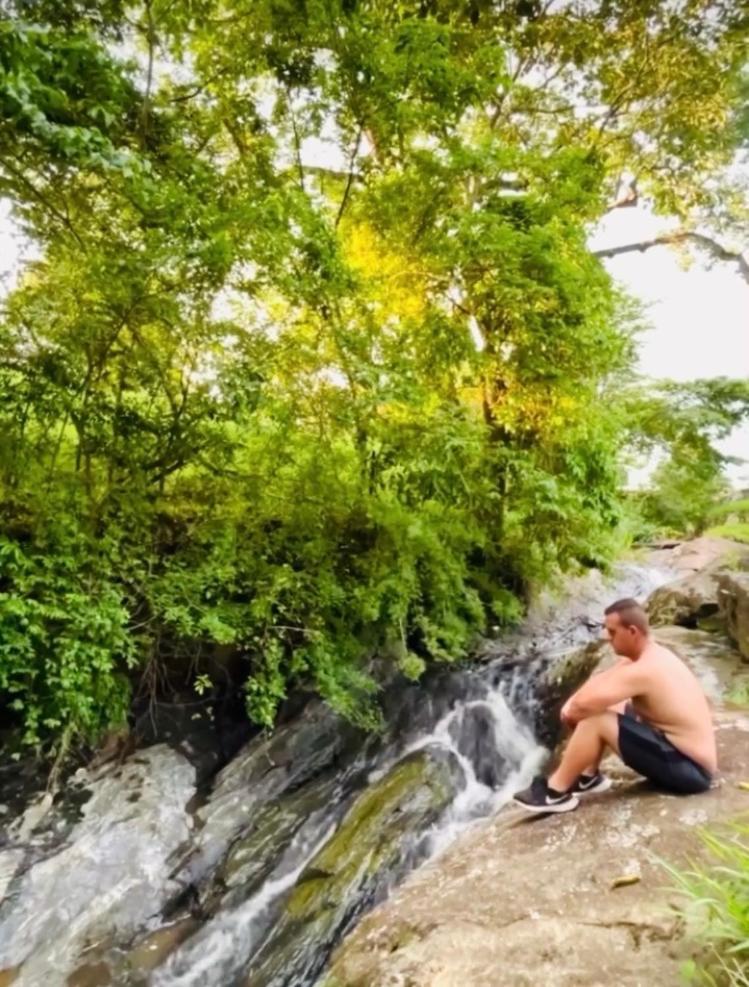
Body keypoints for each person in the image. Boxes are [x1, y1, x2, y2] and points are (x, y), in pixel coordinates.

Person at [513, 597, 717, 813]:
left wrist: (572, 710)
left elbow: (581, 708)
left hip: (691, 770)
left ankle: (555, 794)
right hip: (676, 751)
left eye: (612, 632)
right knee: (611, 704)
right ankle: (588, 777)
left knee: (595, 719)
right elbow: (603, 679)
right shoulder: (646, 655)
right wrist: (574, 704)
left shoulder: (645, 669)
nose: (606, 638)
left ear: (632, 632)